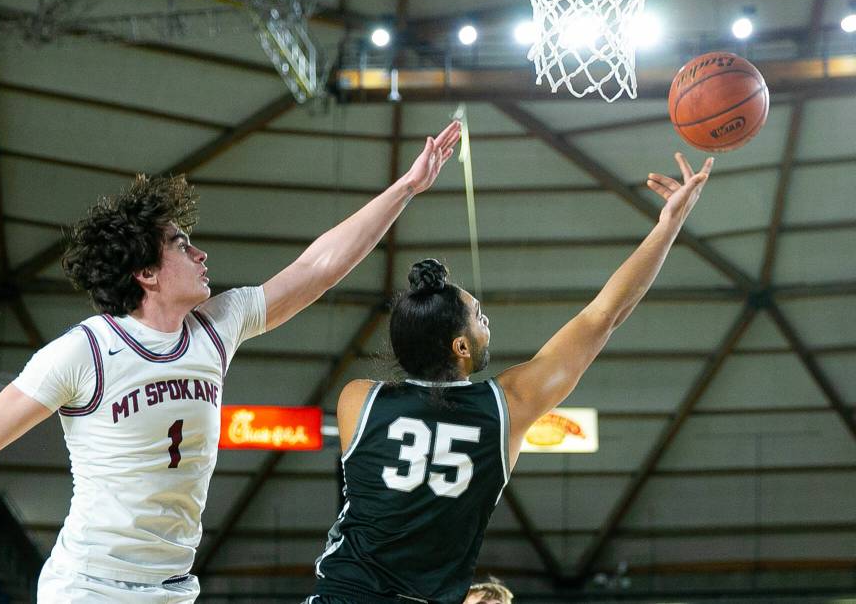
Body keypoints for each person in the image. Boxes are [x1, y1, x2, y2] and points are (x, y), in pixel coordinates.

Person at [0, 120, 463, 602]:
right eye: (180, 244)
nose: (199, 253)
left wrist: (406, 188)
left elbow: (318, 268)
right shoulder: (85, 351)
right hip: (88, 588)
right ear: (145, 273)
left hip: (171, 587)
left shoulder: (218, 326)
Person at [306, 154, 714, 603]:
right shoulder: (507, 407)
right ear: (460, 348)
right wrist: (668, 225)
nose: (487, 323)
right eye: (479, 317)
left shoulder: (357, 400)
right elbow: (604, 316)